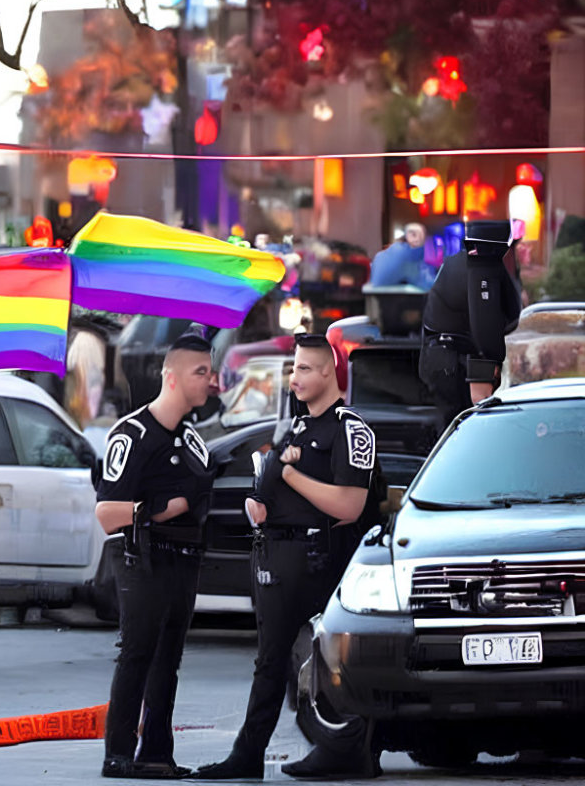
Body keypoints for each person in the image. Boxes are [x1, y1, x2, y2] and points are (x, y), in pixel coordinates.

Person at [196, 333, 379, 781]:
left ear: (326, 373)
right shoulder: (295, 426)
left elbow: (349, 505)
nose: (292, 377)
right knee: (270, 660)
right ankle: (248, 753)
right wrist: (256, 502)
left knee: (331, 661)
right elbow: (267, 484)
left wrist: (291, 475)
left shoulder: (350, 428)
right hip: (275, 555)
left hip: (322, 559)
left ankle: (347, 749)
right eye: (292, 367)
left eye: (301, 368)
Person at [95, 330, 219, 780]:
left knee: (170, 658)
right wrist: (160, 510)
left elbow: (202, 492)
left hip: (184, 558)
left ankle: (157, 754)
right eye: (201, 372)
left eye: (210, 370)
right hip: (141, 558)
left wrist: (180, 507)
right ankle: (118, 754)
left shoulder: (192, 441)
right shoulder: (131, 434)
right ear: (172, 377)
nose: (211, 380)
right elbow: (107, 513)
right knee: (138, 653)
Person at [418, 219, 524, 434]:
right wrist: (481, 374)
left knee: (457, 427)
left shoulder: (470, 262)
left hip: (446, 356)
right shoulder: (482, 266)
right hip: (455, 362)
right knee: (461, 431)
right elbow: (483, 321)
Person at [369, 223, 437, 289]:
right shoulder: (407, 256)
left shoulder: (385, 253)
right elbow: (429, 284)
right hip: (392, 299)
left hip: (376, 298)